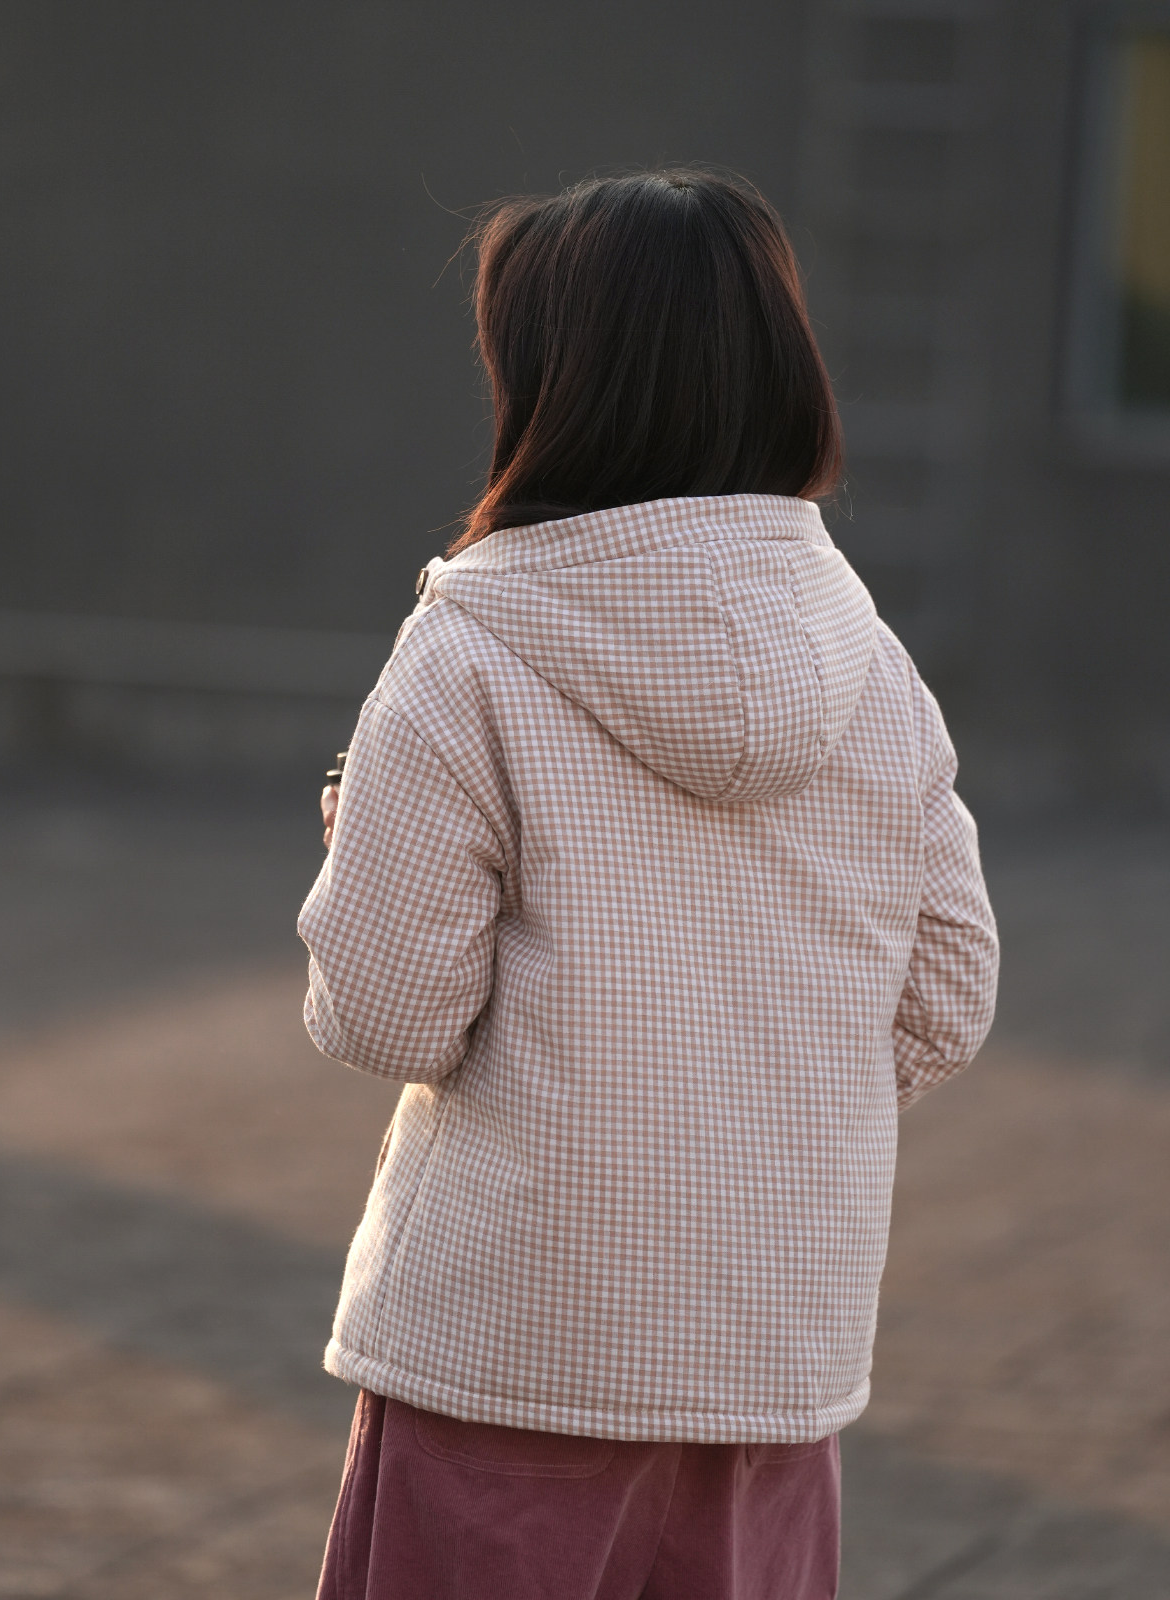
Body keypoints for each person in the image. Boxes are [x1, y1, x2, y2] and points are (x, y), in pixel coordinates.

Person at [298, 168, 998, 1600]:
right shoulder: (873, 666)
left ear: (552, 386)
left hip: (507, 1356)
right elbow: (947, 998)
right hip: (770, 1371)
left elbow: (385, 1017)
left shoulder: (470, 648)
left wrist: (357, 845)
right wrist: (755, 1099)